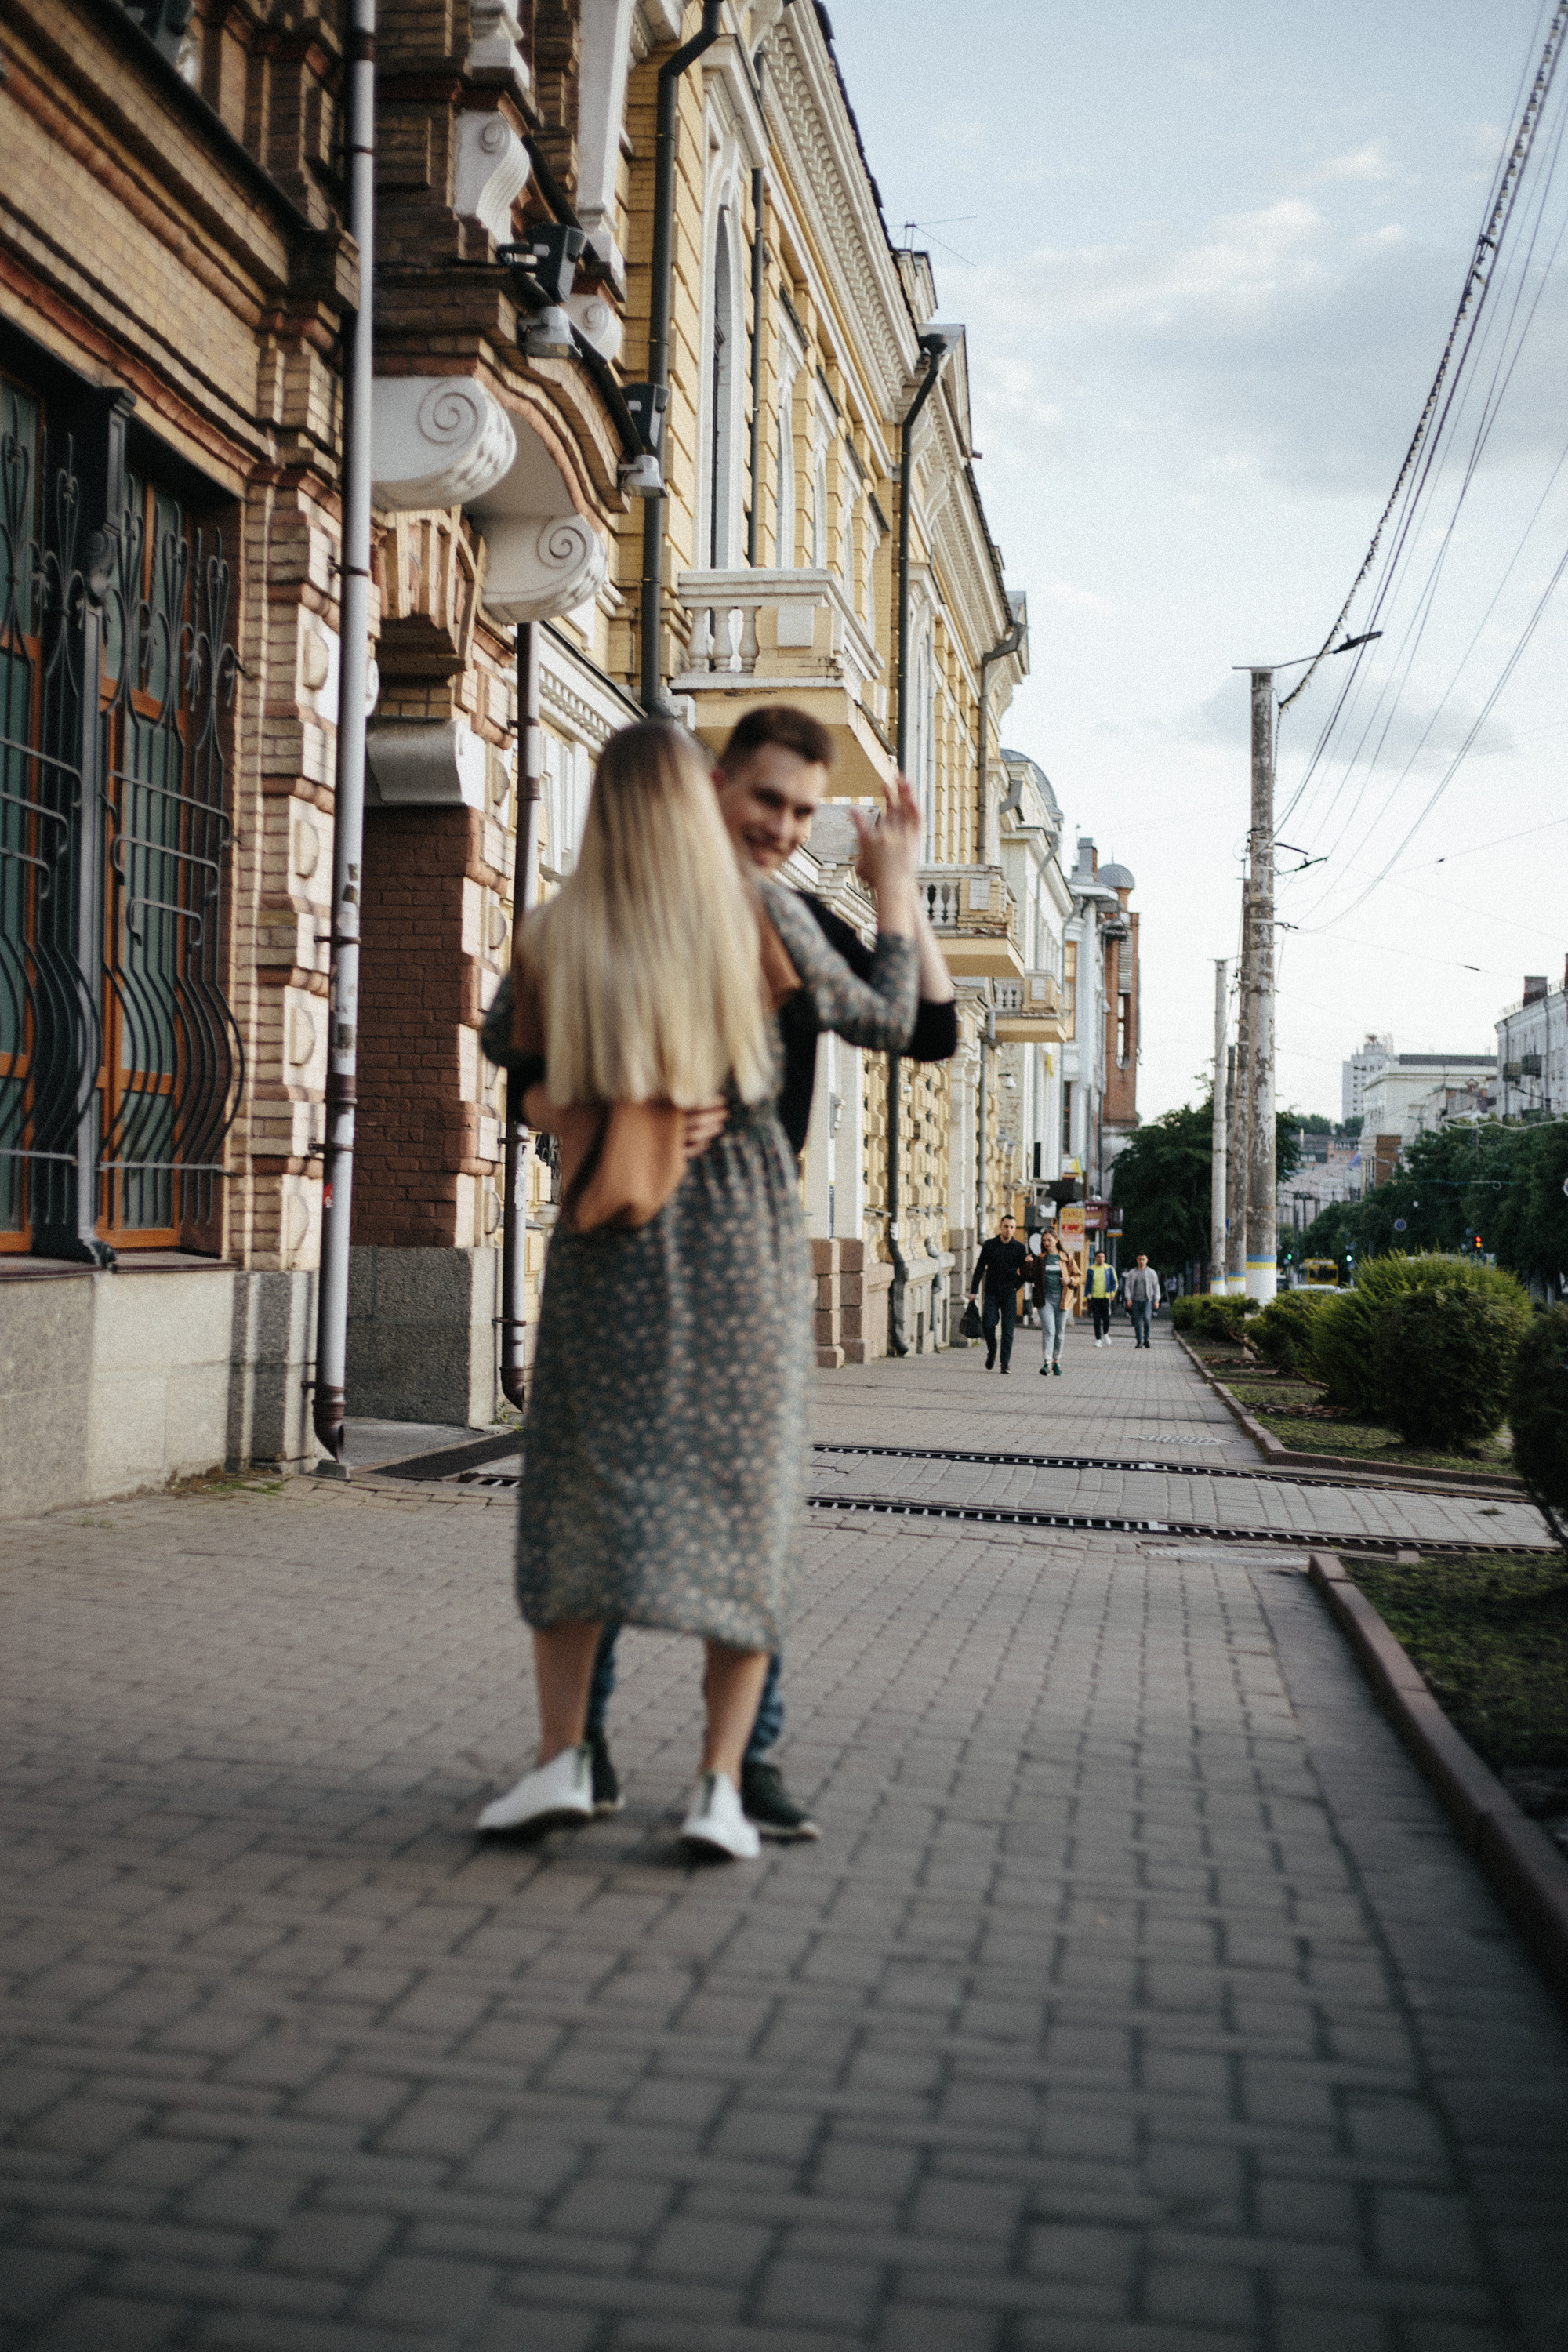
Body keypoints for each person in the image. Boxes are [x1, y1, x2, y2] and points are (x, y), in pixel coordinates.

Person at [477, 720, 920, 1861]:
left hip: (606, 1241)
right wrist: (897, 890)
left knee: (577, 1487)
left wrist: (586, 1110)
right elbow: (888, 1016)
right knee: (746, 1499)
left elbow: (506, 1057)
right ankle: (721, 1786)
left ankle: (564, 1761)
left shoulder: (556, 928)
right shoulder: (760, 915)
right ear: (697, 803)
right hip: (740, 1248)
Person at [584, 707, 956, 1840]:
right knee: (607, 1490)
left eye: (801, 812)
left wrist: (904, 881)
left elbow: (926, 1031)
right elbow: (540, 1050)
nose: (783, 828)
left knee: (748, 1497)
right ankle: (580, 1743)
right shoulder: (643, 896)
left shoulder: (789, 914)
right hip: (637, 1228)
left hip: (749, 1238)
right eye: (768, 802)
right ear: (714, 786)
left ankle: (748, 1757)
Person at [968, 1213, 1029, 1372]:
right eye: (1006, 1226)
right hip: (992, 1292)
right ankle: (992, 1351)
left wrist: (1016, 1286)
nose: (1008, 1230)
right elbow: (980, 1268)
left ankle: (1005, 1363)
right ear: (1000, 1227)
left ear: (1015, 1229)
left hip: (1009, 1293)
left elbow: (1025, 1273)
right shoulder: (990, 1245)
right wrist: (973, 1291)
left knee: (1008, 1330)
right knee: (988, 1325)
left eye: (1011, 1227)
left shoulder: (1019, 1248)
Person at [1032, 1228, 1075, 1376]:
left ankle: (1057, 1361)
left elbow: (1078, 1277)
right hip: (1045, 1300)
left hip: (1063, 1299)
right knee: (1049, 1330)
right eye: (1044, 1240)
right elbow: (1031, 1277)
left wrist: (1070, 1280)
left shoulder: (1066, 1257)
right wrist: (1028, 1264)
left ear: (1057, 1240)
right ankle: (1047, 1363)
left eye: (1049, 1240)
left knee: (1060, 1332)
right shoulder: (1040, 1258)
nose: (1046, 1243)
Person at [1123, 1251, 1160, 1349]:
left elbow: (1156, 1286)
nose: (1141, 1261)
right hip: (1135, 1300)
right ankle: (1139, 1341)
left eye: (1143, 1259)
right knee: (1137, 1322)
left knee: (1147, 1319)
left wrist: (1157, 1300)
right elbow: (1127, 1286)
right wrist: (1128, 1298)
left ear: (1147, 1260)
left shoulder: (1151, 1272)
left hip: (1148, 1300)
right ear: (1137, 1260)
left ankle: (1146, 1339)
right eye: (1140, 1259)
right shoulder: (1132, 1272)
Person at [1086, 1249, 1117, 1345]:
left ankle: (1106, 1333)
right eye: (1099, 1257)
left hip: (1105, 1297)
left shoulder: (1109, 1269)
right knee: (1096, 1319)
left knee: (1106, 1318)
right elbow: (1087, 1284)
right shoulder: (1091, 1269)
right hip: (1094, 1298)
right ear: (1095, 1258)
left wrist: (1113, 1293)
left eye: (1102, 1257)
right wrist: (1085, 1297)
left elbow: (1114, 1282)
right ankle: (1098, 1339)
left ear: (1104, 1258)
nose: (1101, 1259)